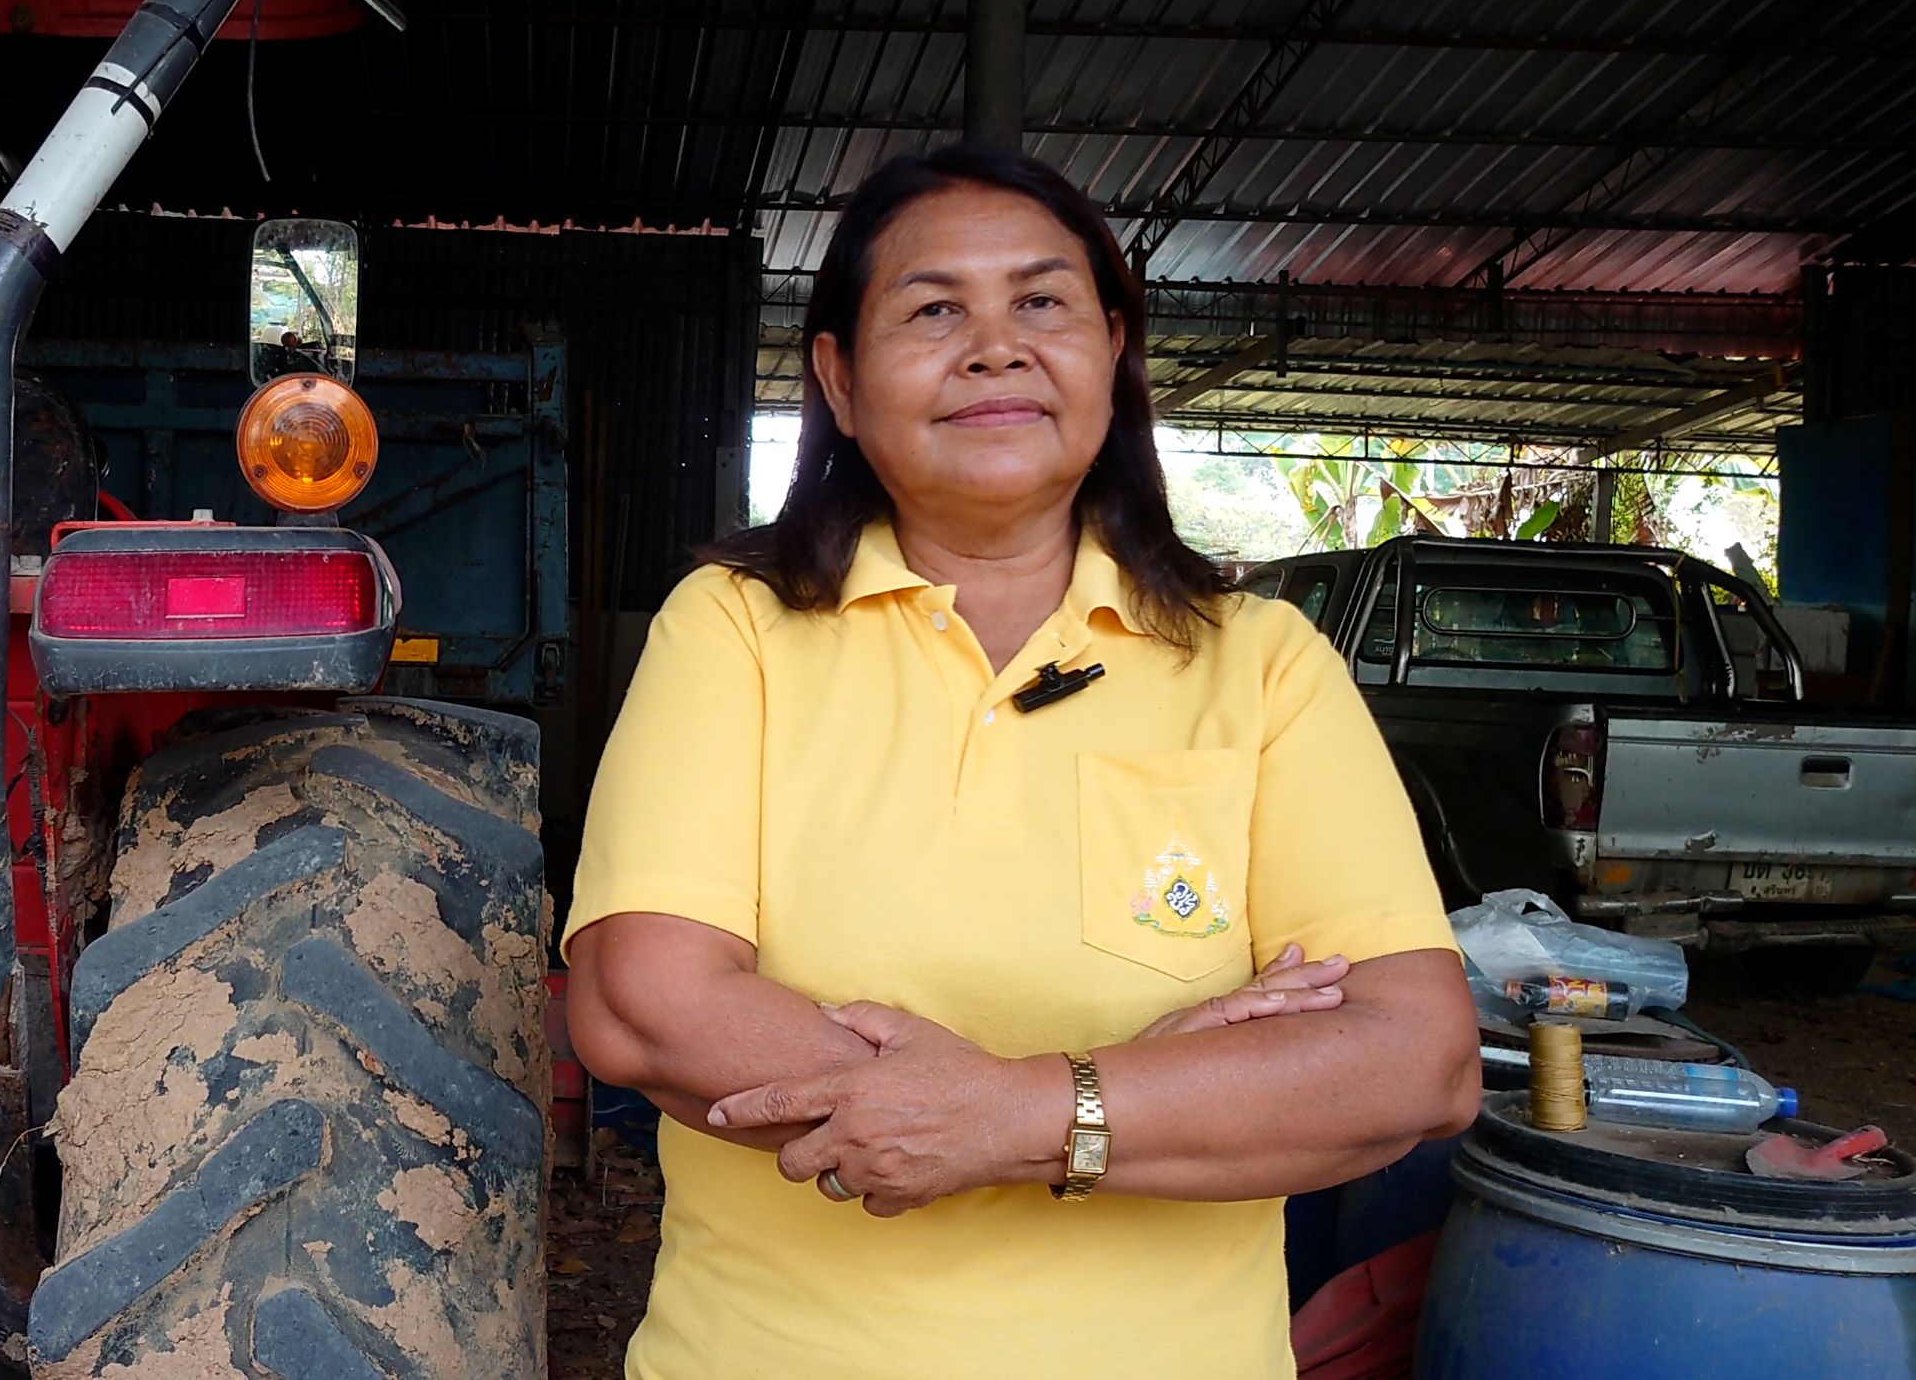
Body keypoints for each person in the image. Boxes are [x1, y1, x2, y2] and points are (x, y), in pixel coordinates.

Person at [563, 142, 1480, 1380]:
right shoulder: (735, 625)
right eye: (932, 308)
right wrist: (1162, 1087)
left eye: (1040, 302)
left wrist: (1029, 1113)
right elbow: (643, 1001)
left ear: (1110, 349)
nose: (994, 346)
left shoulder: (1258, 661)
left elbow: (1411, 1062)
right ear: (836, 375)